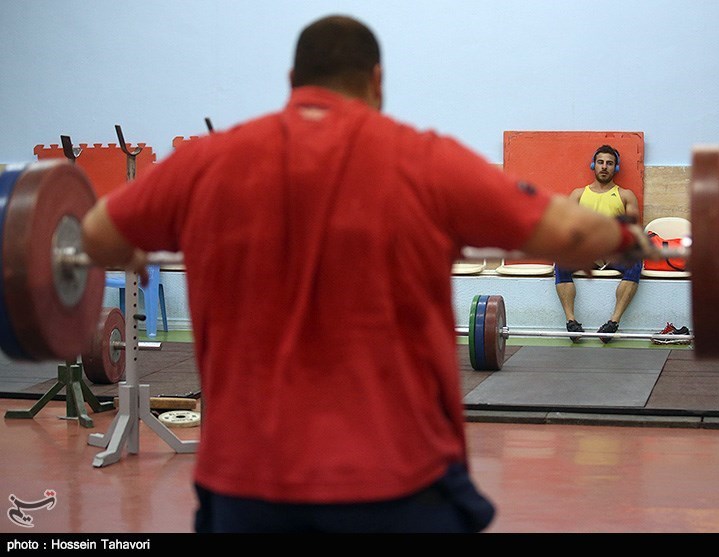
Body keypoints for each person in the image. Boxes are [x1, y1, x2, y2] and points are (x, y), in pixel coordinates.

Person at [80, 15, 654, 533]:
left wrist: (133, 252)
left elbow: (97, 234)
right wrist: (634, 240)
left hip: (247, 485)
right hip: (396, 480)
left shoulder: (206, 163)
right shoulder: (426, 160)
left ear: (292, 78)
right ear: (377, 81)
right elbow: (573, 235)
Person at [554, 145, 643, 343]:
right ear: (594, 165)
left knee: (635, 261)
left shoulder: (626, 195)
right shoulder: (578, 194)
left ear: (616, 168)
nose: (604, 167)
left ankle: (613, 322)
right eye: (601, 162)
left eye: (610, 163)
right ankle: (571, 322)